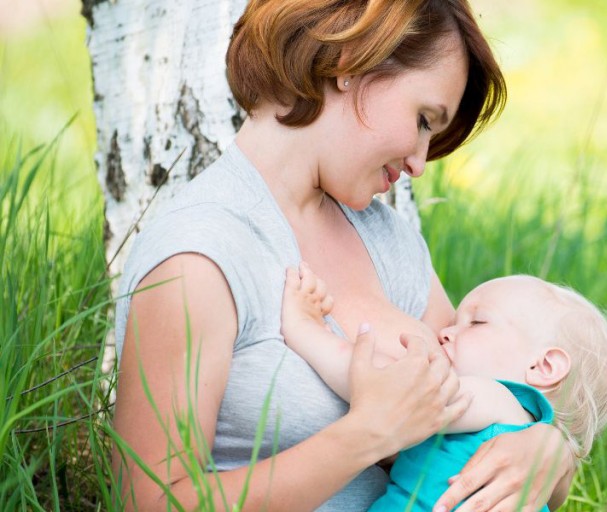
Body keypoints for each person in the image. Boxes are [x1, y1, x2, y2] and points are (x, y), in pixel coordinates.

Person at [109, 0, 576, 510]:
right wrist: (366, 437)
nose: (421, 163)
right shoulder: (201, 257)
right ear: (353, 61)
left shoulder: (387, 241)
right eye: (423, 120)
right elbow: (148, 502)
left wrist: (551, 454)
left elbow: (480, 404)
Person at [280, 264, 607, 512]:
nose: (445, 332)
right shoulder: (498, 422)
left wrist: (306, 330)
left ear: (543, 366)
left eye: (476, 321)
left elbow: (384, 386)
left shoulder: (501, 401)